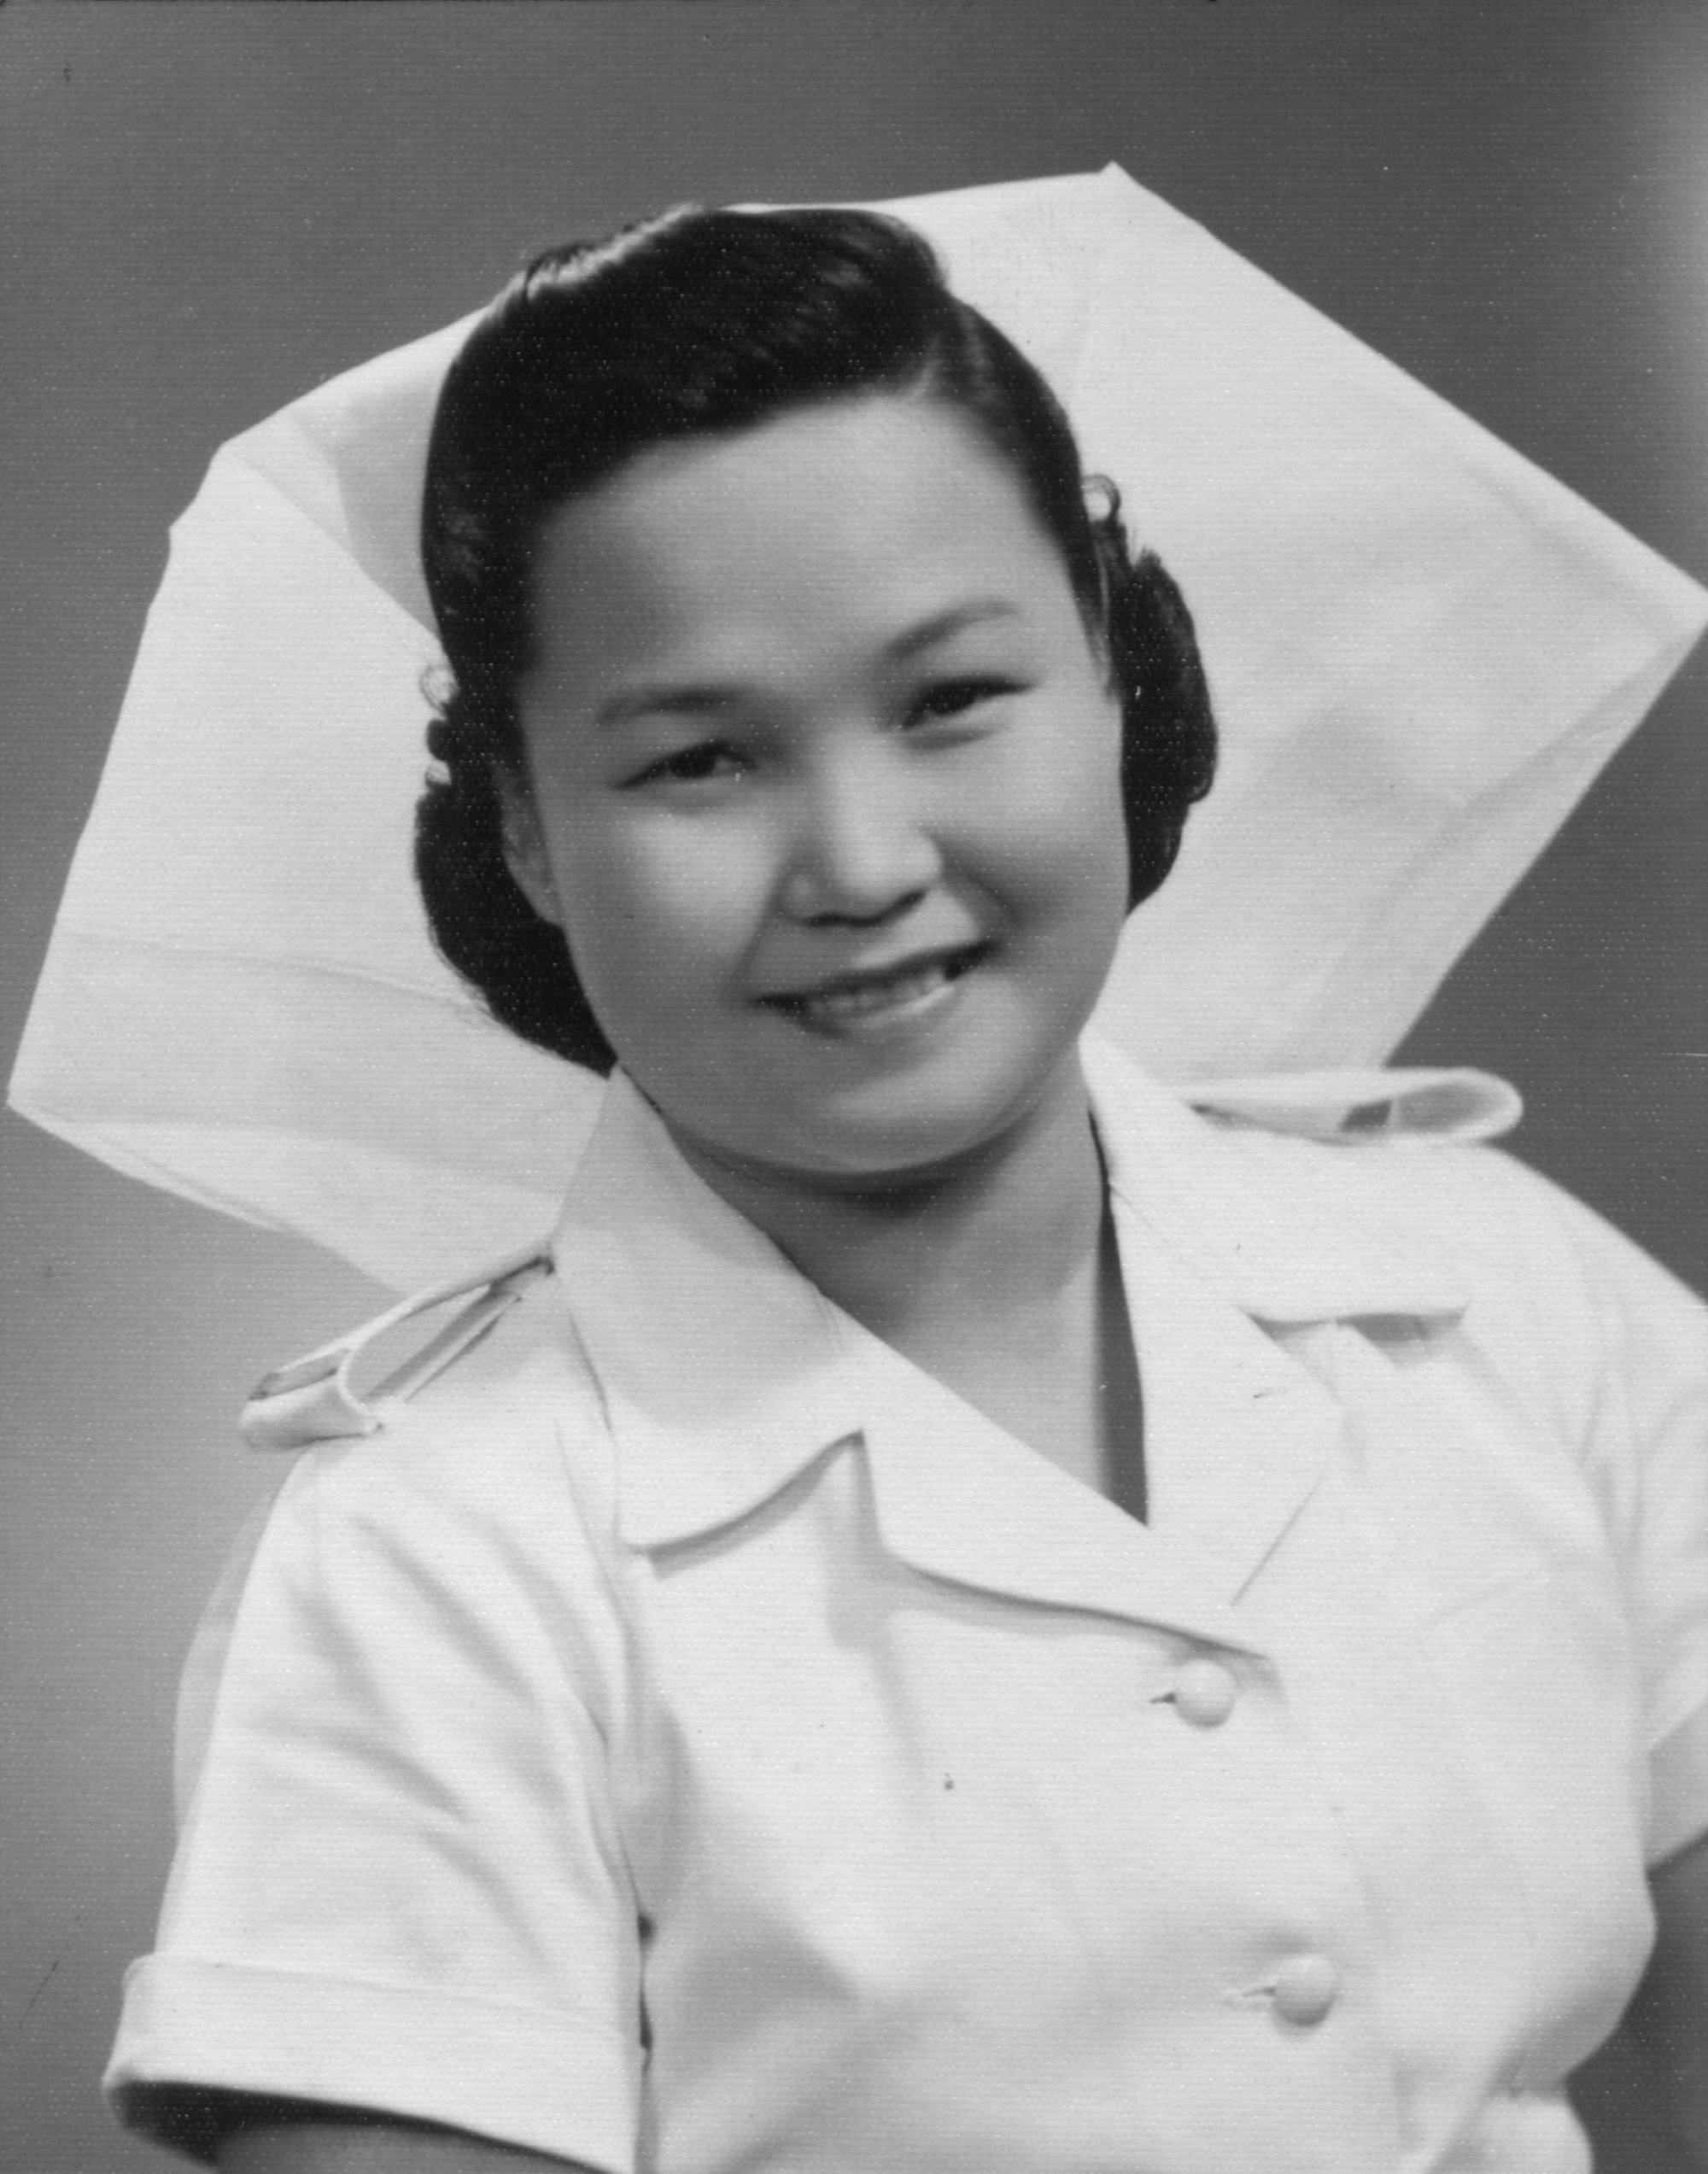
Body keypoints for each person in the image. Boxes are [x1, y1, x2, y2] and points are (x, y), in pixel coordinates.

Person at [100, 204, 1708, 2173]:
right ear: (520, 829)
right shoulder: (429, 1559)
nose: (860, 861)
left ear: (1116, 679)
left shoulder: (1502, 1284)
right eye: (699, 759)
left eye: (948, 701)